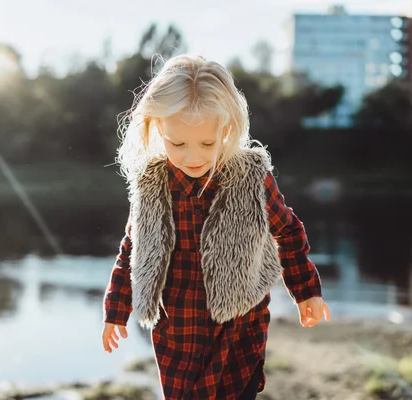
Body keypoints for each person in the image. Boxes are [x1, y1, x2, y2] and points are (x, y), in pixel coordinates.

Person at [101, 54, 330, 400]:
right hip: (175, 330)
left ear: (226, 129)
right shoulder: (151, 184)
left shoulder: (251, 177)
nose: (193, 156)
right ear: (158, 128)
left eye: (207, 144)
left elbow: (288, 231)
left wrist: (306, 291)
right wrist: (115, 312)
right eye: (178, 144)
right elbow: (132, 249)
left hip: (239, 327)